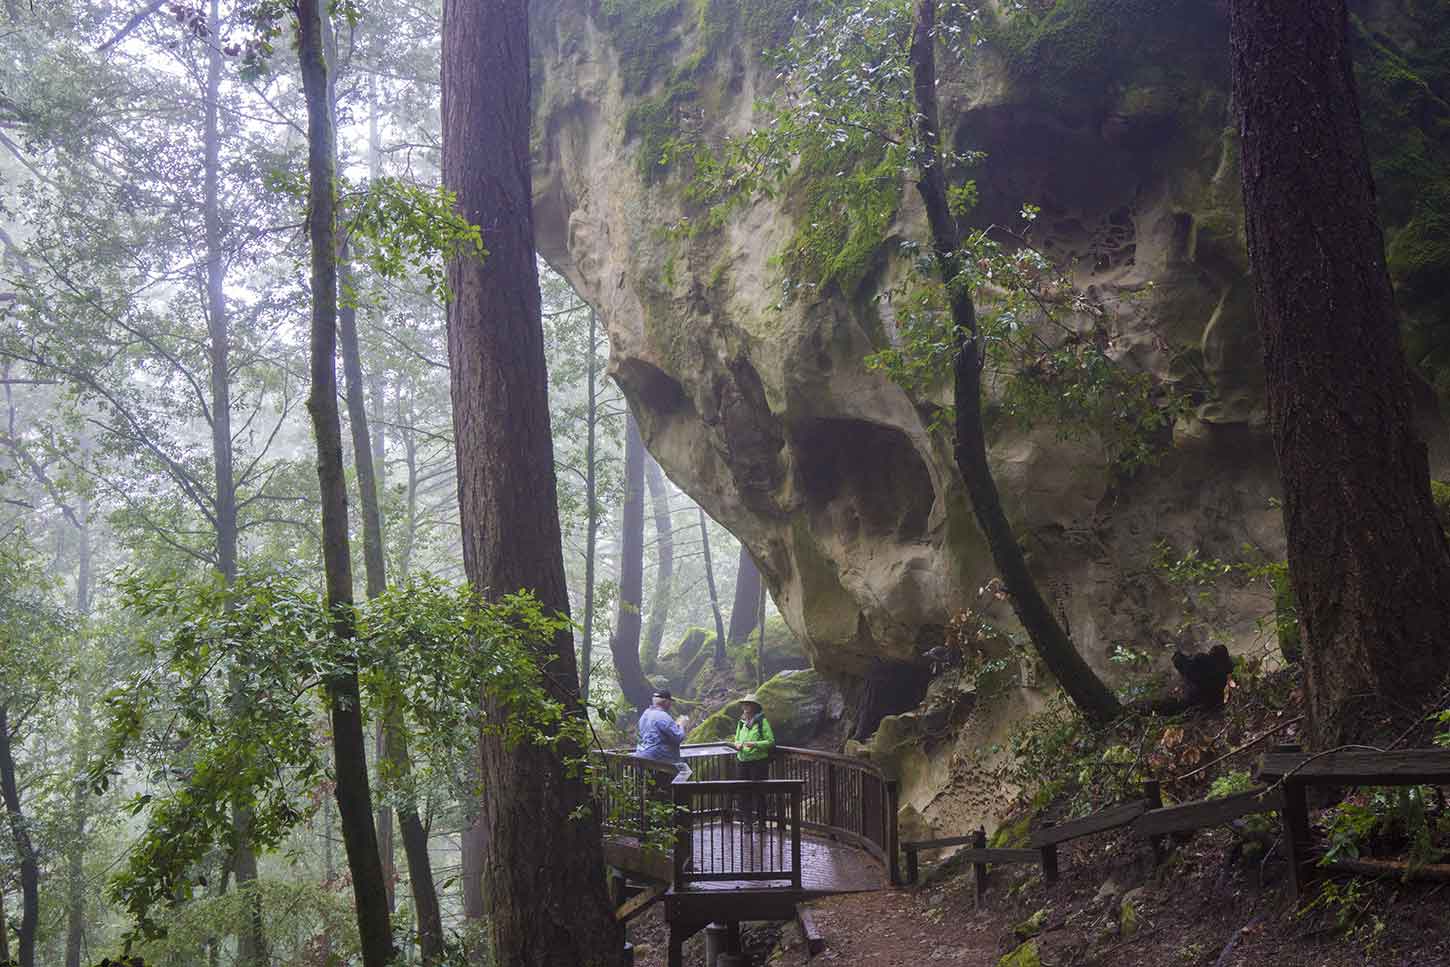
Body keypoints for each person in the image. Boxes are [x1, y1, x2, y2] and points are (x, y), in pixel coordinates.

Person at [731, 693, 775, 828]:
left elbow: (770, 741)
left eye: (748, 704)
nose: (745, 707)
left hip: (758, 762)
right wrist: (737, 745)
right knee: (743, 793)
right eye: (744, 704)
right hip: (742, 761)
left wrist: (755, 744)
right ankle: (747, 823)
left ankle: (761, 823)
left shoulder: (762, 722)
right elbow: (737, 739)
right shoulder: (741, 722)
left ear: (754, 707)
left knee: (759, 793)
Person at [634, 688, 689, 766]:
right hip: (659, 759)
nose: (671, 704)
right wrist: (681, 725)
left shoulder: (645, 714)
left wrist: (675, 726)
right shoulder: (662, 716)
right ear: (666, 702)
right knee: (683, 768)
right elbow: (678, 737)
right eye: (670, 702)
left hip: (641, 756)